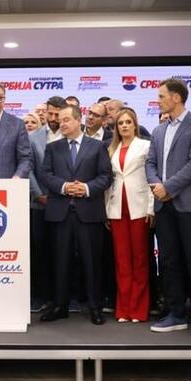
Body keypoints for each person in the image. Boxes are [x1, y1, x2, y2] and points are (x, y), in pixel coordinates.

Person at [145, 78, 191, 340]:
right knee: (169, 260)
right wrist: (157, 185)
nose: (158, 101)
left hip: (190, 205)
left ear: (176, 98)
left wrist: (168, 187)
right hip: (164, 205)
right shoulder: (158, 130)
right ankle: (176, 313)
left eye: (162, 96)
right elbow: (150, 163)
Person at [40, 105, 112, 325]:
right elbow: (45, 175)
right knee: (60, 262)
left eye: (66, 120)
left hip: (88, 212)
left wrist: (86, 188)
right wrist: (64, 187)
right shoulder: (53, 148)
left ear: (78, 120)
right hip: (60, 213)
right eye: (59, 120)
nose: (61, 123)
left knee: (92, 262)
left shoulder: (97, 147)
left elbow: (106, 176)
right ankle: (60, 306)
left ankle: (95, 307)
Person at [106, 108, 154, 323]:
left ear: (135, 125)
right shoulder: (111, 149)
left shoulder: (146, 146)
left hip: (139, 207)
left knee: (140, 259)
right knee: (122, 260)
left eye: (128, 122)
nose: (124, 126)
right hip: (117, 208)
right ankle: (123, 309)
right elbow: (109, 182)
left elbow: (152, 177)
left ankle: (139, 309)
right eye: (120, 123)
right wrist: (106, 210)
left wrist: (151, 208)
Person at [29, 96, 67, 311]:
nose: (53, 118)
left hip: (66, 203)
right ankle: (40, 296)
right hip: (39, 203)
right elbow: (28, 168)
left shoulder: (73, 135)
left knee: (63, 251)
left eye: (57, 115)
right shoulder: (33, 137)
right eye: (50, 113)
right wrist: (37, 194)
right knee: (39, 250)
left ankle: (64, 296)